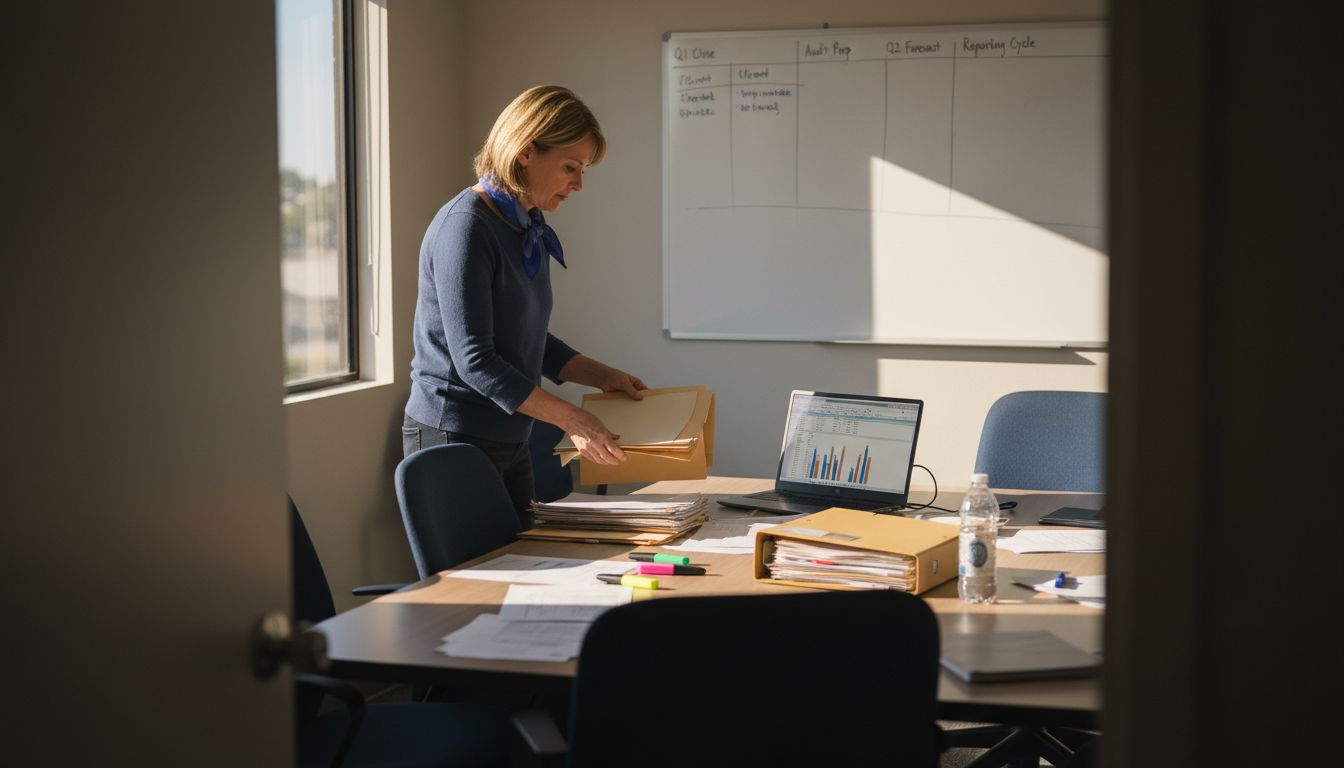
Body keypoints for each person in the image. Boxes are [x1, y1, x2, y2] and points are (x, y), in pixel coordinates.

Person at [402, 85, 645, 528]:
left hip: (511, 433)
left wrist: (603, 377)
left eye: (584, 170)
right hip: (454, 435)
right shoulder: (467, 227)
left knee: (524, 567)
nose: (579, 184)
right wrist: (576, 420)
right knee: (478, 586)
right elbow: (476, 361)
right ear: (526, 152)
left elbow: (528, 338)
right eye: (571, 167)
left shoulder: (525, 225)